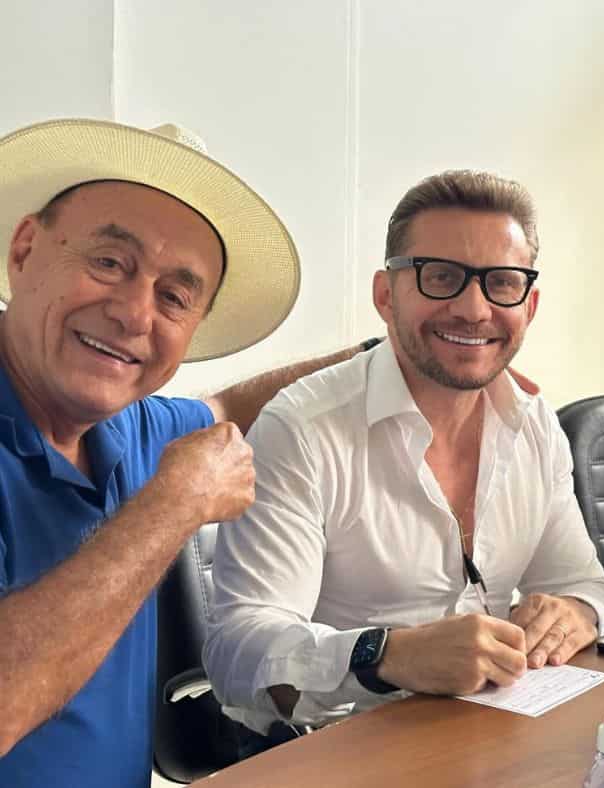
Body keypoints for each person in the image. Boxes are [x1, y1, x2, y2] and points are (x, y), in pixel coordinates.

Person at [0, 118, 372, 786]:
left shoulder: (134, 425)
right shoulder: (157, 468)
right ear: (24, 251)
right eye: (109, 263)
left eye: (174, 296)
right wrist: (174, 506)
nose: (135, 315)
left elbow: (228, 405)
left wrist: (381, 356)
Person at [204, 169, 604, 733]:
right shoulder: (301, 430)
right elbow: (236, 652)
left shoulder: (534, 424)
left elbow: (585, 586)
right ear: (385, 295)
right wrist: (386, 655)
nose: (474, 309)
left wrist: (573, 613)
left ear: (530, 304)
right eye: (441, 276)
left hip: (495, 737)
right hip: (338, 748)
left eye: (501, 283)